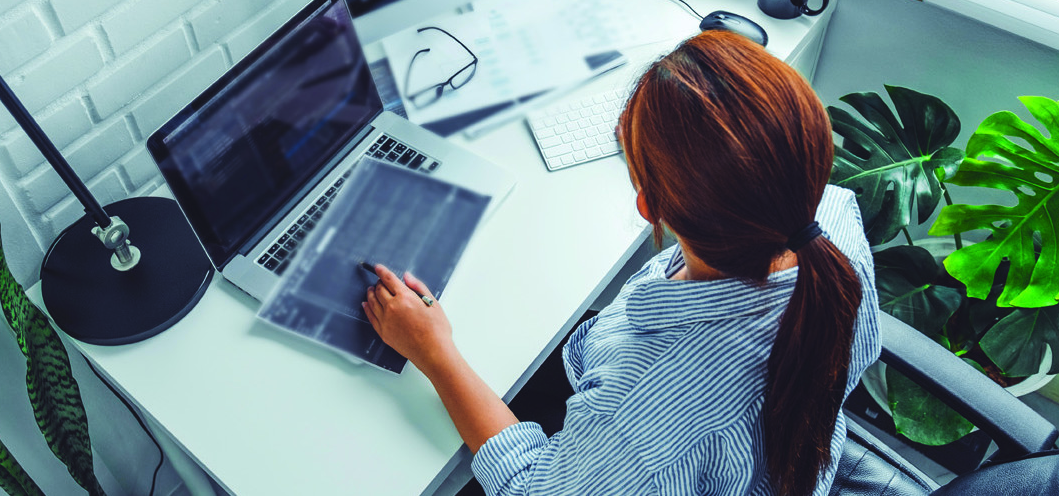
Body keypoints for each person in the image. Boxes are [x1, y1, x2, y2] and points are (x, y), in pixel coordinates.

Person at [361, 30, 880, 496]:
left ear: (647, 206)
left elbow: (534, 489)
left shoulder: (642, 419)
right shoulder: (832, 219)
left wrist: (435, 353)